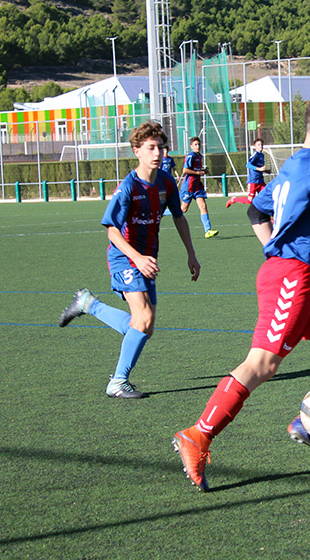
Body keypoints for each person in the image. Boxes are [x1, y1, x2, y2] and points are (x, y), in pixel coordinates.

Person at [172, 91, 310, 492]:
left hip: (302, 279)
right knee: (262, 365)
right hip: (291, 279)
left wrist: (274, 248)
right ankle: (197, 435)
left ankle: (309, 424)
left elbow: (255, 210)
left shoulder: (293, 165)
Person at [58, 121, 201, 399]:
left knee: (144, 326)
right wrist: (137, 257)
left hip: (147, 259)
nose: (158, 153)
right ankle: (117, 382)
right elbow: (112, 230)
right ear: (137, 151)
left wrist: (191, 254)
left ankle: (89, 304)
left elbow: (179, 217)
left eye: (161, 147)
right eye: (151, 148)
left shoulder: (166, 182)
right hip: (124, 258)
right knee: (143, 319)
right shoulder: (128, 187)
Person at [180, 136, 218, 239]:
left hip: (197, 187)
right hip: (188, 187)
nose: (198, 146)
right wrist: (198, 172)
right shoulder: (191, 156)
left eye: (199, 144)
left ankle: (207, 230)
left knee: (203, 206)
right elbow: (185, 170)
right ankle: (162, 212)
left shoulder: (199, 156)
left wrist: (203, 171)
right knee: (182, 210)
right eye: (195, 145)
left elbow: (196, 170)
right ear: (191, 146)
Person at [226, 138, 269, 208]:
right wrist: (259, 169)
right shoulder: (255, 154)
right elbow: (248, 164)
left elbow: (258, 167)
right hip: (253, 181)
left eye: (261, 144)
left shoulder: (262, 155)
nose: (261, 146)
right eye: (258, 145)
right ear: (255, 147)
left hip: (260, 181)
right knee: (249, 201)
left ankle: (266, 213)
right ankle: (233, 199)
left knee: (267, 197)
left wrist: (265, 170)